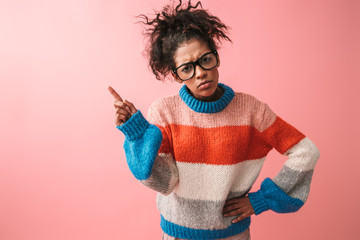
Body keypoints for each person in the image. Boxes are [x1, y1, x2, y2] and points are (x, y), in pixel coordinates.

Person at [108, 1, 320, 239]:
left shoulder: (251, 111)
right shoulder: (165, 112)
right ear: (176, 74)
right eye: (187, 68)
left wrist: (262, 200)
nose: (199, 72)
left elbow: (306, 151)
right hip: (178, 235)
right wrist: (136, 137)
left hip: (233, 235)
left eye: (205, 59)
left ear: (215, 56)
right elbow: (165, 184)